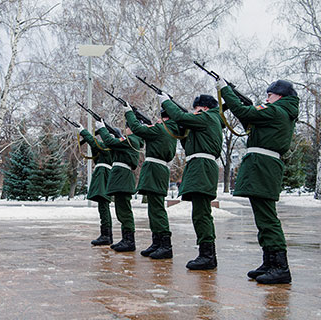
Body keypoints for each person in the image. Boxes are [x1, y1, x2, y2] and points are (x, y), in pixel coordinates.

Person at [217, 78, 298, 284]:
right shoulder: (277, 112)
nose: (267, 98)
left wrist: (225, 91)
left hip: (264, 167)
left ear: (280, 96)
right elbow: (251, 121)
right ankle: (270, 261)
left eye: (270, 95)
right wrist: (241, 102)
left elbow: (246, 113)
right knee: (263, 218)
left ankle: (280, 267)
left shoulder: (276, 111)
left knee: (267, 218)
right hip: (262, 166)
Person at [158, 93, 223, 270]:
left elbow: (180, 116)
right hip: (197, 165)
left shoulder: (208, 117)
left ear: (205, 108)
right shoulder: (205, 121)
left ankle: (207, 255)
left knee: (202, 214)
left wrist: (166, 102)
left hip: (202, 166)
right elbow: (187, 143)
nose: (195, 112)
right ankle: (206, 253)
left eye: (196, 108)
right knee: (200, 213)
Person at [123, 103, 178, 259]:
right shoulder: (170, 130)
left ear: (165, 118)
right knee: (153, 208)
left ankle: (165, 245)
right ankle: (158, 242)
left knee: (157, 209)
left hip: (155, 169)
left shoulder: (162, 129)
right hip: (156, 169)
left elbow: (138, 129)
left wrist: (129, 113)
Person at [96, 120, 144, 252]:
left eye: (127, 128)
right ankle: (126, 239)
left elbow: (110, 143)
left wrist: (102, 129)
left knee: (124, 211)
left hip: (123, 177)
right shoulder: (131, 141)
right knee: (121, 210)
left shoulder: (132, 140)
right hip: (121, 177)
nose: (126, 130)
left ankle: (129, 241)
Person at [77, 126, 113, 245]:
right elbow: (95, 147)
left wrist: (83, 132)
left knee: (103, 206)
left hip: (103, 175)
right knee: (103, 206)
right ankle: (106, 234)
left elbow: (95, 143)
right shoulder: (107, 148)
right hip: (102, 174)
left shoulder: (108, 147)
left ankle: (106, 235)